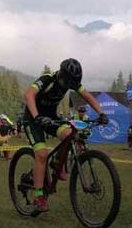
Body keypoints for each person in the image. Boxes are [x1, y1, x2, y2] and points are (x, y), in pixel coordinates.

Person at [23, 58, 107, 213]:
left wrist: (101, 113)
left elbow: (89, 97)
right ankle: (38, 196)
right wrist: (36, 117)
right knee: (41, 154)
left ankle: (56, 161)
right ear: (62, 75)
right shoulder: (47, 79)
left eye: (72, 84)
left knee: (71, 135)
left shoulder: (72, 82)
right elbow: (28, 94)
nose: (69, 87)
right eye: (68, 83)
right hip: (33, 119)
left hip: (51, 117)